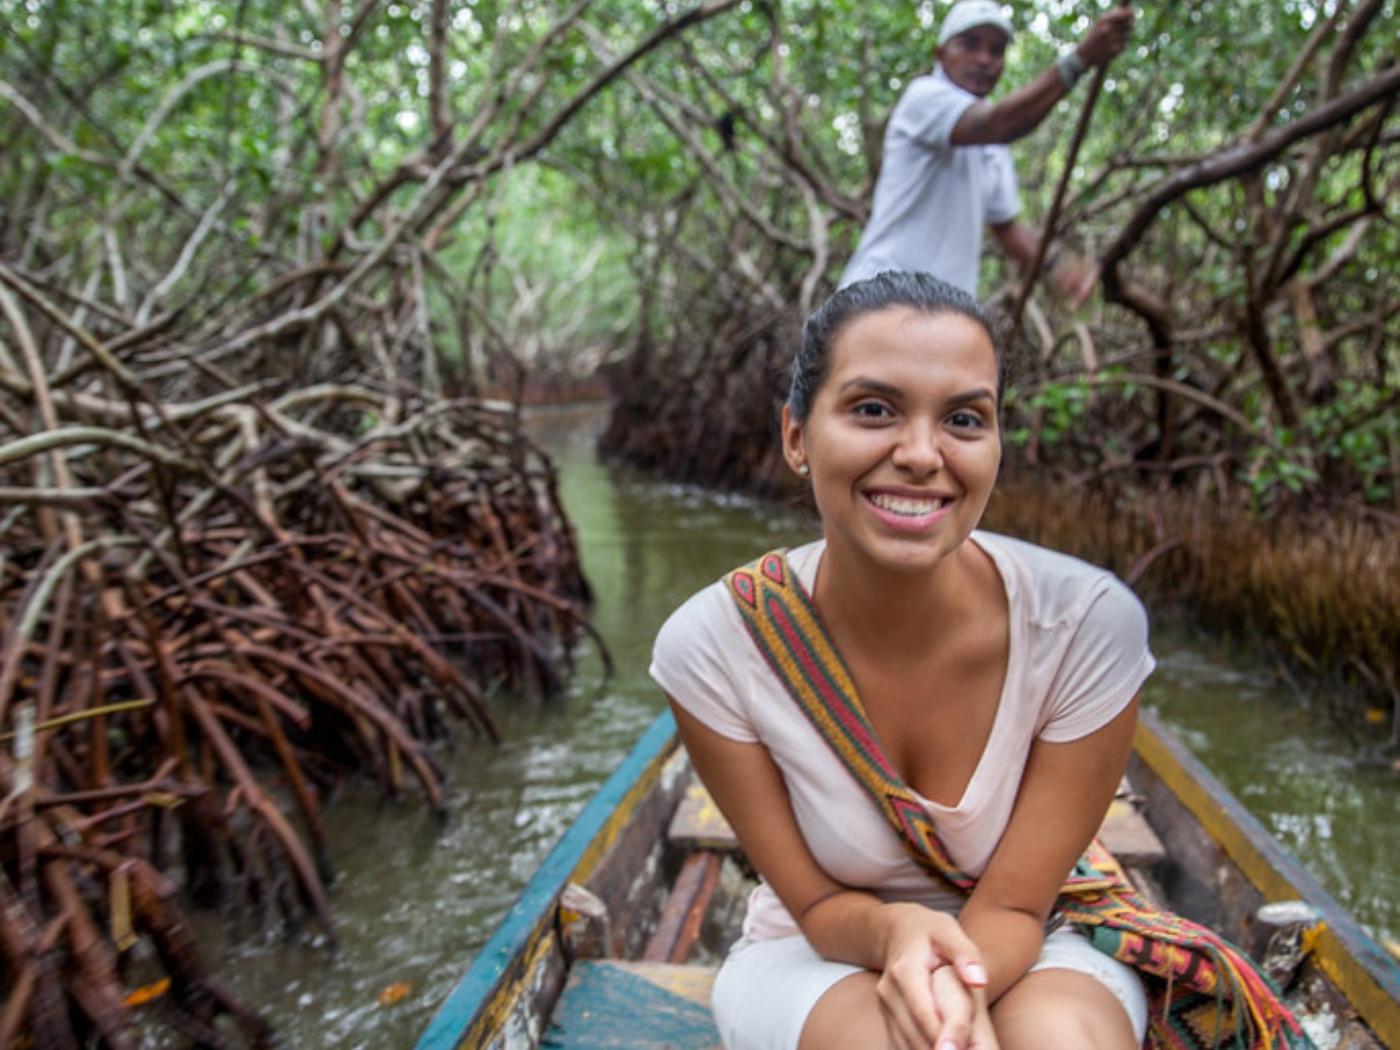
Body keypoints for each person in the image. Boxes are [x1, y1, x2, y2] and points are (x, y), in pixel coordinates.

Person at [650, 271, 1154, 1050]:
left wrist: (953, 999)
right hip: (822, 949)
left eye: (963, 419)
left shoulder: (1088, 627)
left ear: (994, 444)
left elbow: (1017, 909)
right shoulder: (714, 645)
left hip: (1041, 931)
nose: (922, 455)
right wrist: (897, 937)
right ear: (795, 436)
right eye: (874, 409)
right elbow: (816, 907)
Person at [840, 1, 1134, 303]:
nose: (983, 59)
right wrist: (1080, 60)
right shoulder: (925, 97)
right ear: (940, 54)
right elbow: (997, 123)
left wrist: (1058, 266)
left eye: (996, 51)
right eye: (969, 44)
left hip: (944, 317)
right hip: (878, 300)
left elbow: (1007, 228)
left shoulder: (992, 145)